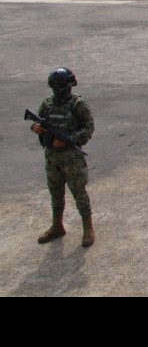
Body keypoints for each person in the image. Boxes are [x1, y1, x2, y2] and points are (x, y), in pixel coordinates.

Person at [30, 67, 96, 248]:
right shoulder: (47, 104)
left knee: (79, 193)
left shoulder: (78, 104)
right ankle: (57, 225)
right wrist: (36, 128)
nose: (59, 88)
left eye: (62, 84)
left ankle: (88, 228)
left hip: (71, 158)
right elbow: (36, 122)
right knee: (55, 192)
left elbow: (88, 128)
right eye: (56, 84)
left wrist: (70, 139)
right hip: (52, 156)